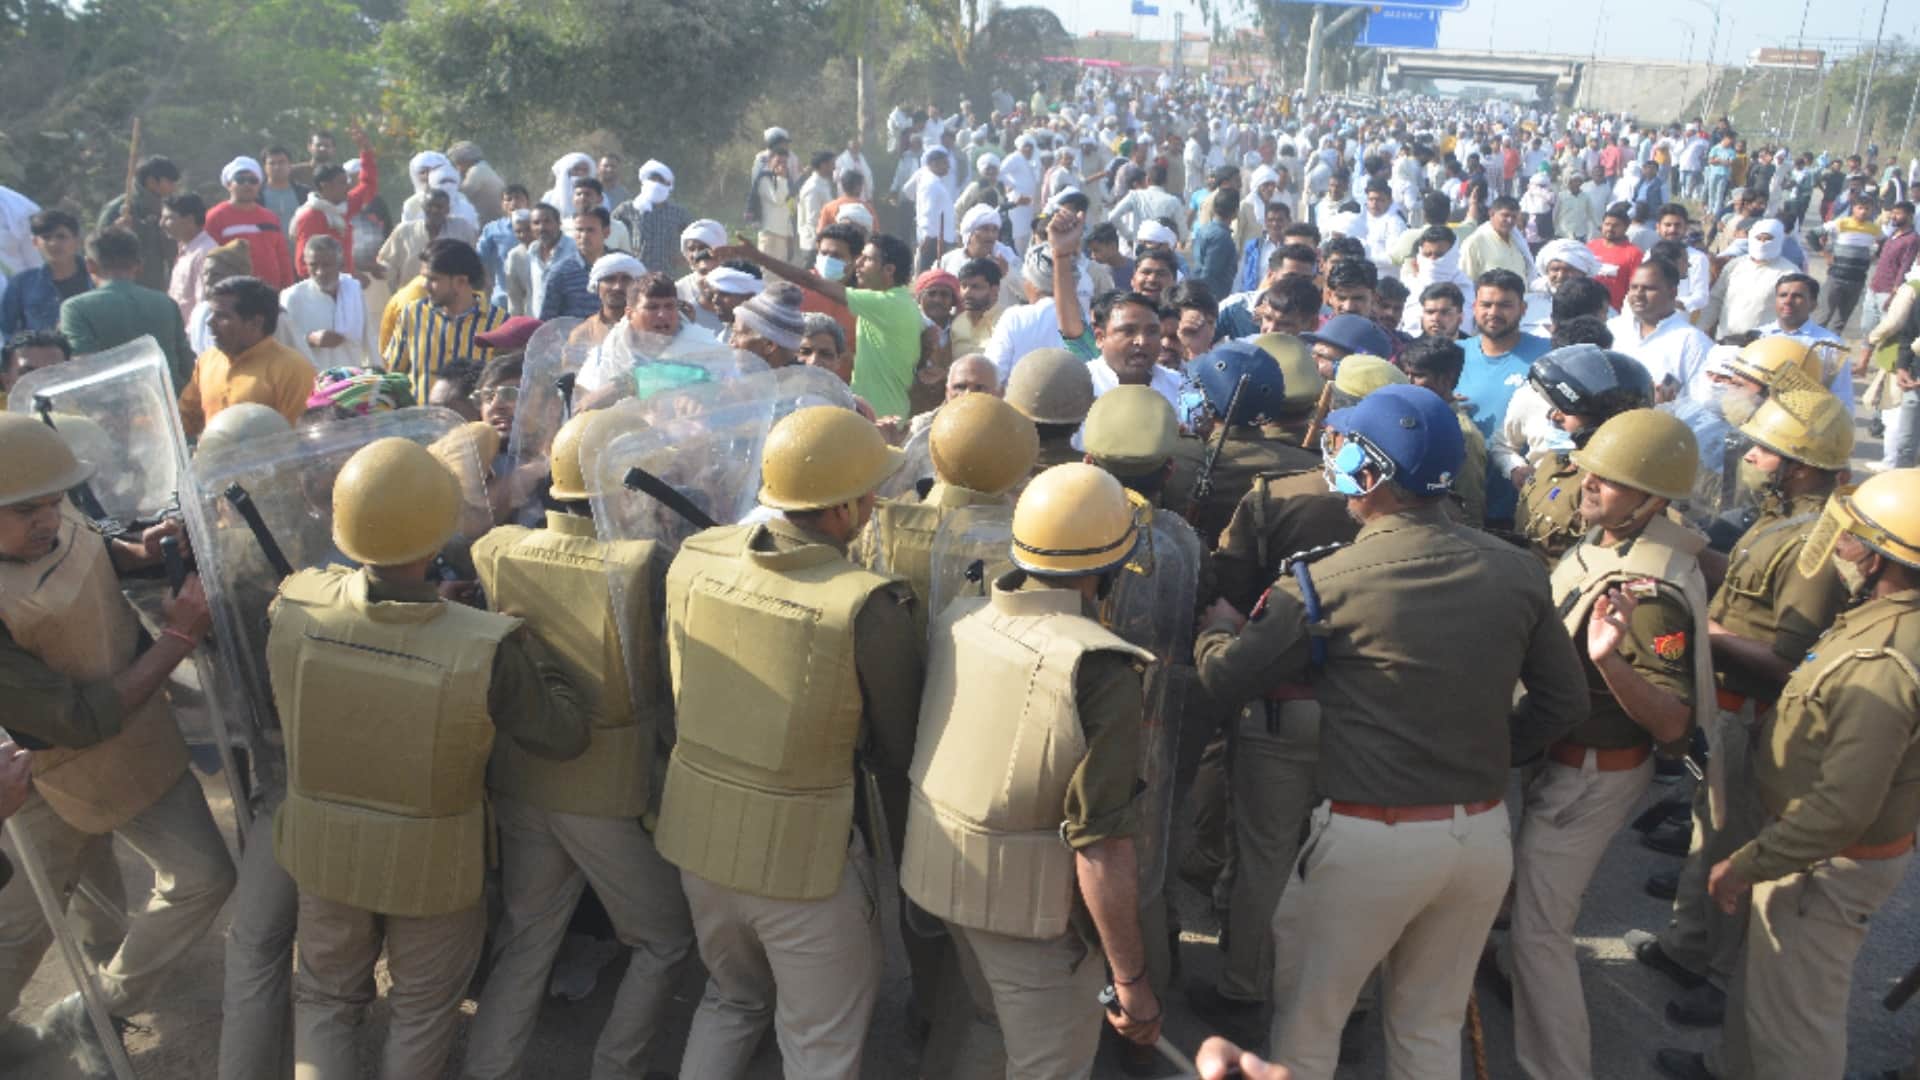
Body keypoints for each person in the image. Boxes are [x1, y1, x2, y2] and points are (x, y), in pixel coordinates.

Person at [1195, 384, 1588, 1080]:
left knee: (1307, 1028)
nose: (1331, 460)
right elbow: (1562, 704)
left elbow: (1225, 681)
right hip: (1480, 836)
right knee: (1428, 1030)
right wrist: (1493, 754)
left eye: (1343, 450)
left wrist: (1218, 628)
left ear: (1373, 475)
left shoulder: (1323, 584)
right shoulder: (1519, 570)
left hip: (1367, 839)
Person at [265, 436, 587, 1080]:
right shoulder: (485, 646)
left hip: (323, 850)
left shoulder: (294, 602)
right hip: (432, 868)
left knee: (325, 1000)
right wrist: (534, 653)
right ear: (439, 536)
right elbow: (563, 734)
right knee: (421, 1009)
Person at [656, 406, 922, 1078]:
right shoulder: (866, 602)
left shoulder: (696, 555)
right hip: (805, 863)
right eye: (869, 494)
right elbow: (898, 743)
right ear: (844, 509)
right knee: (820, 1045)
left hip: (698, 839)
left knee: (730, 999)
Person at [1654, 465, 1920, 1080]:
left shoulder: (1882, 661)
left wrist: (1748, 863)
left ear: (1882, 560)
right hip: (1805, 848)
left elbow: (1840, 810)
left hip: (1823, 861)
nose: (1840, 549)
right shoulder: (1881, 616)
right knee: (1765, 990)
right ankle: (1730, 1066)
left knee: (1796, 1024)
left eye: (1852, 537)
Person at [900, 462, 1165, 1074]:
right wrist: (1132, 982)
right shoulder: (1100, 667)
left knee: (991, 1031)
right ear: (1113, 565)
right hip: (1031, 919)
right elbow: (1102, 846)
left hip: (945, 883)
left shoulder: (961, 616)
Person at [463, 411, 695, 1080]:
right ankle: (617, 1067)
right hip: (606, 792)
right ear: (623, 486)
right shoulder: (643, 563)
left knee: (527, 940)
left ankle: (488, 1069)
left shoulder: (497, 548)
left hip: (521, 777)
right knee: (665, 937)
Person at [0, 413, 237, 1067]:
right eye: (27, 512)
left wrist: (137, 549)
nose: (48, 520)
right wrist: (178, 639)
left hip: (134, 747)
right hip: (44, 771)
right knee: (24, 926)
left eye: (53, 503)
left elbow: (84, 540)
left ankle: (96, 1009)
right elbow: (76, 717)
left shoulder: (51, 506)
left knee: (202, 878)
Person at [1509, 408, 1713, 1080]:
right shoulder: (1620, 541)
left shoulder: (1647, 590)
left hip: (1589, 774)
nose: (1589, 482)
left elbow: (1673, 723)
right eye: (1592, 468)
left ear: (1653, 500)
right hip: (1565, 760)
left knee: (1541, 935)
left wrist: (1612, 663)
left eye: (1613, 480)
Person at [715, 230, 923, 424]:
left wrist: (758, 257)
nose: (858, 264)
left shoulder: (886, 303)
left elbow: (812, 282)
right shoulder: (902, 302)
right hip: (879, 410)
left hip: (879, 415)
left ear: (889, 270)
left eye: (867, 259)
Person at [1512, 345, 1657, 565]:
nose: (1554, 416)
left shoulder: (1614, 489)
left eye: (1566, 411)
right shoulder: (1557, 459)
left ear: (1602, 421)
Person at [1457, 268, 1552, 525]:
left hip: (1523, 500)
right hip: (1462, 500)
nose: (1494, 313)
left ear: (1523, 308)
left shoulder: (1548, 356)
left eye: (1505, 305)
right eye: (1486, 304)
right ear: (1474, 306)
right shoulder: (1453, 355)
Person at [177, 274, 317, 435]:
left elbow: (302, 441)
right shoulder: (208, 361)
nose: (209, 322)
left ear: (256, 323)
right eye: (212, 314)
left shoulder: (293, 370)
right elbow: (185, 419)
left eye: (222, 316)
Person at [58, 227, 195, 391]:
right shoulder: (166, 303)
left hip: (111, 408)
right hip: (168, 405)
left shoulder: (75, 308)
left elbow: (83, 367)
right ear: (139, 265)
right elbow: (187, 365)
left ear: (90, 265)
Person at [385, 239, 507, 403]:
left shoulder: (498, 323)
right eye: (424, 278)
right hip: (420, 423)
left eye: (433, 279)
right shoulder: (412, 314)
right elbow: (394, 375)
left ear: (461, 282)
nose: (425, 286)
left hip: (471, 426)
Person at [1609, 258, 1714, 404]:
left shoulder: (1693, 342)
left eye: (1649, 288)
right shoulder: (1614, 329)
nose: (1638, 294)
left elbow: (1701, 404)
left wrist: (1664, 408)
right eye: (1634, 287)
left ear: (1672, 292)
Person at [291, 127, 379, 279]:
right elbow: (303, 266)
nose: (348, 187)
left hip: (345, 285)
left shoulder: (344, 206)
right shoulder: (311, 217)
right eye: (342, 183)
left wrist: (366, 151)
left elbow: (368, 185)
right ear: (325, 186)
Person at [282, 235, 374, 369]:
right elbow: (282, 344)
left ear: (341, 265)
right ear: (306, 265)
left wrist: (377, 373)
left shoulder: (353, 290)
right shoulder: (292, 297)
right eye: (313, 265)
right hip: (314, 382)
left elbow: (369, 337)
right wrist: (310, 339)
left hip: (351, 380)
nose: (320, 272)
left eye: (327, 265)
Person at [205, 156, 295, 289]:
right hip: (232, 295)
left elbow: (282, 257)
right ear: (229, 184)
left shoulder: (270, 217)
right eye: (241, 180)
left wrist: (287, 288)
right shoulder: (215, 216)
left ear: (258, 185)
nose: (247, 184)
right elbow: (208, 258)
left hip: (269, 294)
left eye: (253, 180)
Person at [94, 155, 179, 292]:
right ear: (152, 181)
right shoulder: (119, 209)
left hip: (155, 289)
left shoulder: (166, 210)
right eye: (169, 182)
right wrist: (117, 232)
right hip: (122, 288)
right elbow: (98, 249)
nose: (174, 188)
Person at [1703, 218, 1797, 339]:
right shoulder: (1735, 265)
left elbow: (1792, 313)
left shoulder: (1789, 273)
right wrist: (1702, 327)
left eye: (1768, 239)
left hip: (1762, 346)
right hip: (1725, 341)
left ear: (1779, 240)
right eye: (1759, 238)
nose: (1763, 243)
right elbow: (1716, 299)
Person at [0, 210, 89, 337]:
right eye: (46, 237)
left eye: (61, 236)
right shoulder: (22, 285)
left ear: (77, 240)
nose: (53, 243)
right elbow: (7, 330)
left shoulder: (97, 276)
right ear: (35, 242)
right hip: (48, 355)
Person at [378, 188, 479, 290]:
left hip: (451, 298)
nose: (434, 210)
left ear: (448, 210)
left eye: (439, 207)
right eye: (430, 206)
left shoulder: (461, 228)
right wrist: (376, 268)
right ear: (423, 207)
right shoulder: (404, 232)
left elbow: (475, 261)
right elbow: (387, 265)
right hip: (413, 298)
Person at [567, 251, 644, 352]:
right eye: (610, 279)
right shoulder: (583, 334)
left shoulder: (651, 326)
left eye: (626, 279)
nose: (617, 287)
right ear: (596, 286)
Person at [162, 193, 216, 323]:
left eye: (168, 218)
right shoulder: (186, 250)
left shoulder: (205, 254)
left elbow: (205, 306)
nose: (162, 223)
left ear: (190, 220)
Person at [1459, 195, 1536, 282]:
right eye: (1505, 215)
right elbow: (1465, 280)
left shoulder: (1518, 241)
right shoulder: (1475, 242)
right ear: (1491, 213)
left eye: (1514, 217)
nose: (1510, 220)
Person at [1587, 203, 1644, 313]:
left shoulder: (1634, 253)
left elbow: (1636, 286)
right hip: (1587, 307)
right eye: (1607, 224)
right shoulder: (1590, 246)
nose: (1610, 228)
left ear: (1626, 228)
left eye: (1616, 225)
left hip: (1615, 311)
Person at [0, 328, 69, 410]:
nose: (41, 381)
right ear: (6, 381)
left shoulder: (83, 416)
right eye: (28, 374)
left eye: (51, 373)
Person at [1192, 188, 1240, 301]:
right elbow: (1209, 273)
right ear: (1236, 211)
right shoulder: (1221, 237)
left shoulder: (1204, 229)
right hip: (1213, 296)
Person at [798, 151, 836, 263]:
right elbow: (813, 220)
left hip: (822, 242)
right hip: (813, 245)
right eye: (832, 164)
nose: (834, 167)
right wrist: (822, 241)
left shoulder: (823, 184)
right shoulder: (813, 187)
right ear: (824, 165)